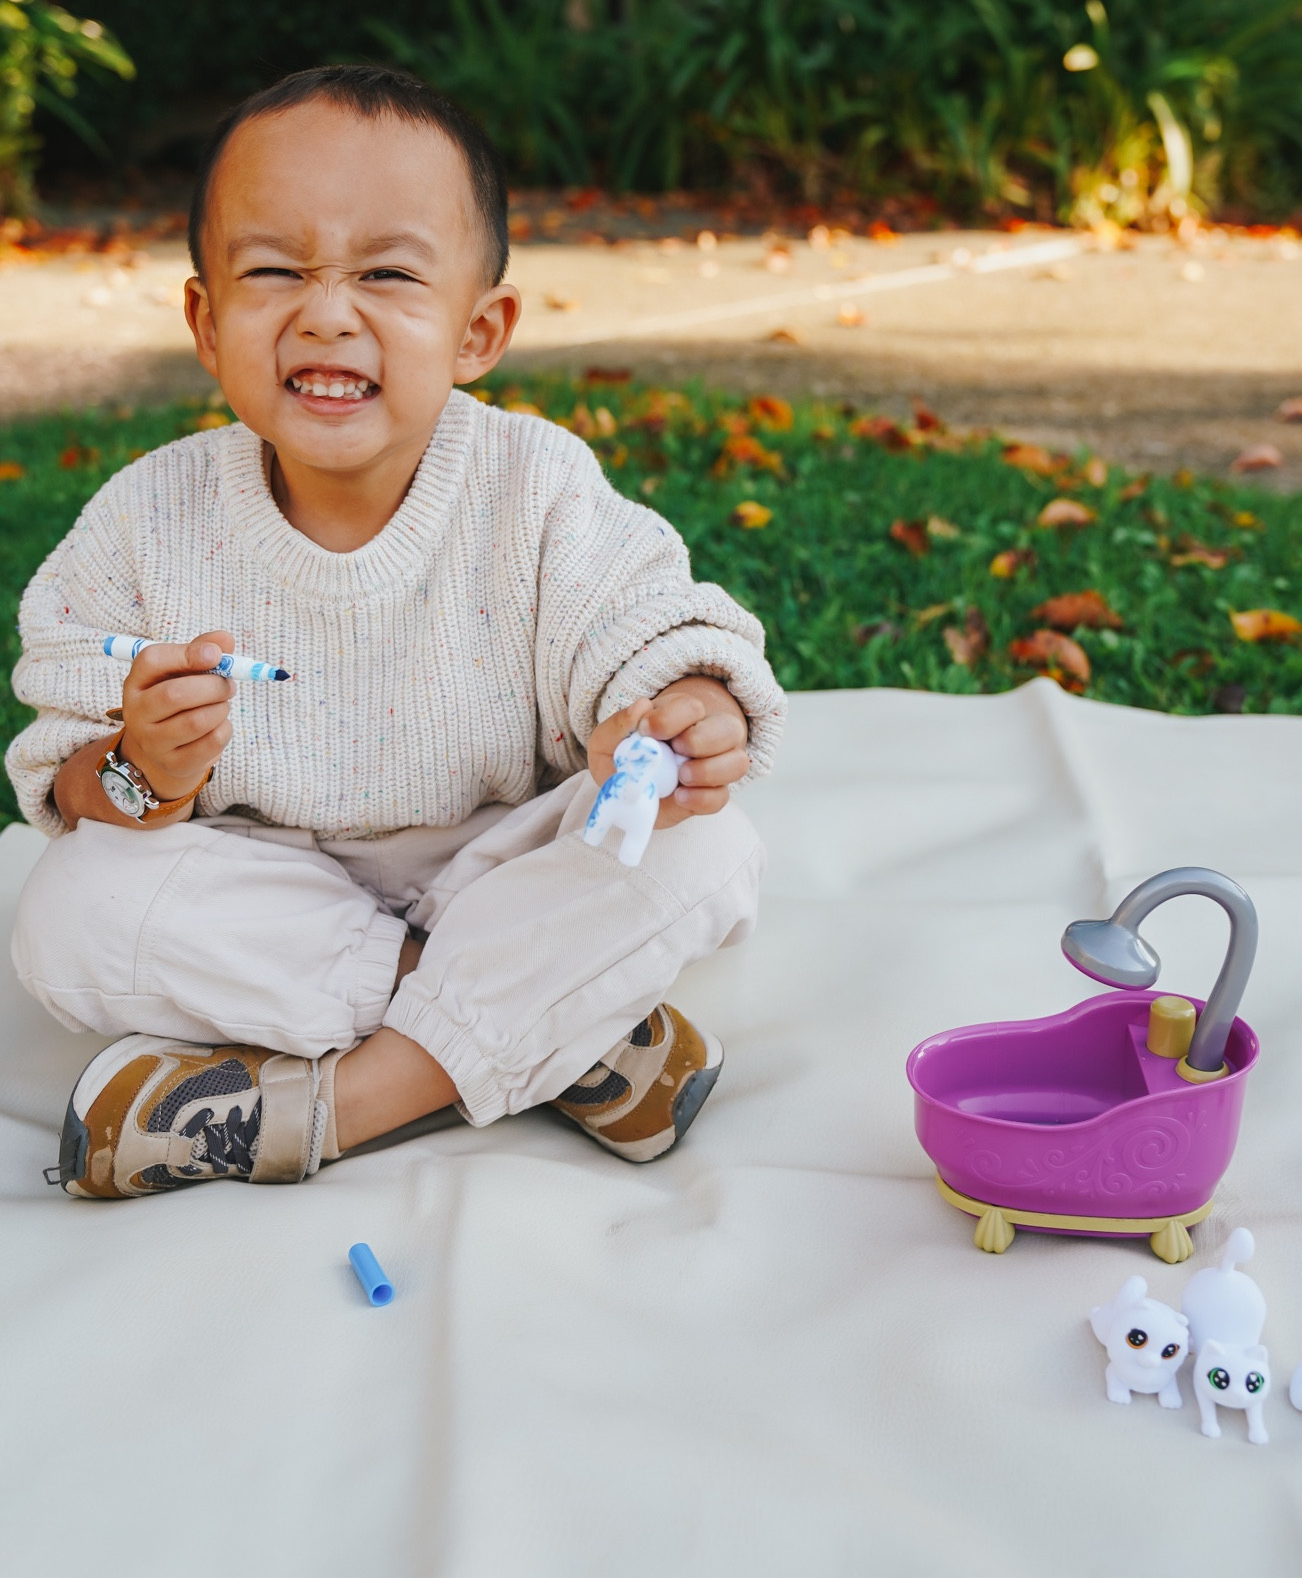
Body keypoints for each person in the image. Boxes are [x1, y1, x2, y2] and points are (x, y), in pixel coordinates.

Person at [6, 65, 783, 1199]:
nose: (327, 310)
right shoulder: (143, 518)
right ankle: (580, 1041)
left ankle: (326, 1113)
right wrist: (138, 768)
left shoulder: (535, 484)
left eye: (385, 272)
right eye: (275, 271)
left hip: (503, 861)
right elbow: (75, 793)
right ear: (208, 322)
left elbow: (652, 626)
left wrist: (679, 715)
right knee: (67, 915)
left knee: (709, 852)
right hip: (263, 884)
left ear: (479, 330)